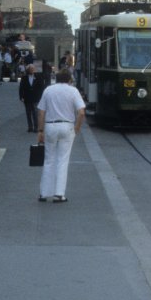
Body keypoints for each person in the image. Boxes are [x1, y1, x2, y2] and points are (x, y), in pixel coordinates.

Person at [36, 69, 86, 203]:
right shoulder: (73, 91)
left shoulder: (48, 90)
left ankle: (44, 193)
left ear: (56, 79)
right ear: (69, 80)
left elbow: (41, 112)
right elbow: (81, 113)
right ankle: (59, 194)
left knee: (49, 160)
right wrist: (77, 128)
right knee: (62, 160)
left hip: (50, 126)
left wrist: (40, 131)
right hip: (67, 126)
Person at [19, 64, 46, 132]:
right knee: (28, 113)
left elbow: (42, 87)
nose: (32, 70)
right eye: (31, 69)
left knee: (35, 113)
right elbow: (21, 88)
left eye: (33, 69)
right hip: (27, 97)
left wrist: (41, 96)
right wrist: (21, 96)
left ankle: (36, 127)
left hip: (36, 97)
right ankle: (30, 127)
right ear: (28, 70)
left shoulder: (38, 77)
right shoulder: (24, 78)